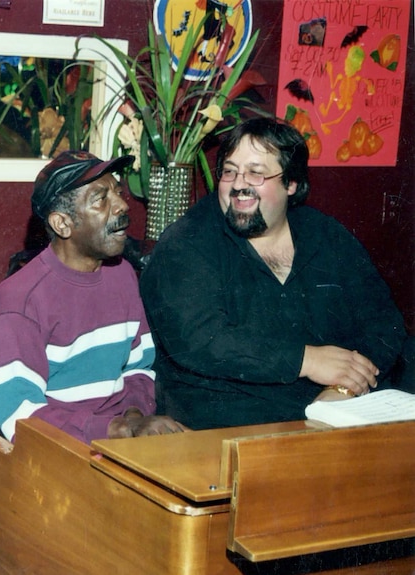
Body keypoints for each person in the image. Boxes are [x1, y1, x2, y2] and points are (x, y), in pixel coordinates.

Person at [140, 117, 407, 430]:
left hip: (333, 410)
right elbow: (201, 340)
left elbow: (384, 323)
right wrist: (306, 360)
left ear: (291, 184)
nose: (239, 184)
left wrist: (344, 388)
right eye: (229, 171)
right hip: (228, 421)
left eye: (256, 173)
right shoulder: (187, 241)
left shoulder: (326, 235)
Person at [0, 151, 188, 474]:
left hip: (106, 441)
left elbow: (139, 368)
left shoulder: (122, 275)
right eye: (100, 198)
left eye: (117, 191)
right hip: (23, 453)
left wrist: (133, 417)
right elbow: (23, 418)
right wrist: (115, 431)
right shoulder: (17, 301)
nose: (122, 205)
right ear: (62, 223)